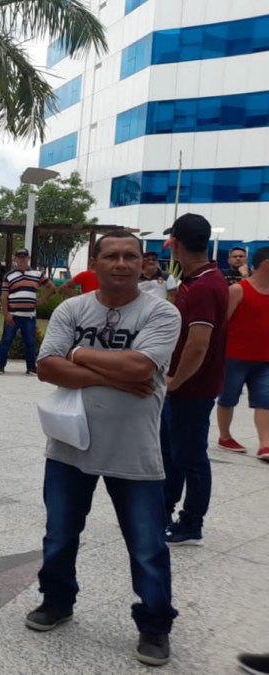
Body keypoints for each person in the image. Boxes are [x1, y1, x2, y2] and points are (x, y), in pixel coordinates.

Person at [27, 231, 182, 667]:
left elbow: (141, 365)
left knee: (147, 545)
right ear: (94, 262)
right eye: (110, 256)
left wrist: (76, 355)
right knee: (60, 534)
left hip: (134, 453)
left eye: (130, 256)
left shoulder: (161, 313)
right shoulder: (72, 309)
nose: (120, 263)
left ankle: (154, 624)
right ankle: (56, 601)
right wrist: (113, 377)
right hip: (69, 446)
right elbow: (45, 367)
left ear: (143, 263)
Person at [160, 214, 228, 546]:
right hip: (186, 386)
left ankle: (191, 521)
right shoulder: (196, 280)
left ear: (177, 243)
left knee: (190, 457)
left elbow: (198, 343)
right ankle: (163, 510)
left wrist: (174, 381)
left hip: (193, 388)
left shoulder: (204, 286)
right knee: (172, 453)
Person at [215, 247, 269, 460]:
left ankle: (265, 443)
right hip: (234, 356)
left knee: (265, 399)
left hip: (265, 358)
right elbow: (222, 324)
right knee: (228, 397)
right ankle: (225, 436)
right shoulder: (238, 290)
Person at [0, 249, 56, 375]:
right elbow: (4, 296)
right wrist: (6, 314)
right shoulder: (9, 276)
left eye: (24, 257)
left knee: (30, 342)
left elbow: (51, 287)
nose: (22, 260)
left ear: (28, 258)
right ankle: (0, 366)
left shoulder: (37, 274)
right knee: (6, 341)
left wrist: (41, 299)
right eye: (19, 257)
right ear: (15, 259)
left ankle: (31, 367)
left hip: (29, 316)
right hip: (13, 315)